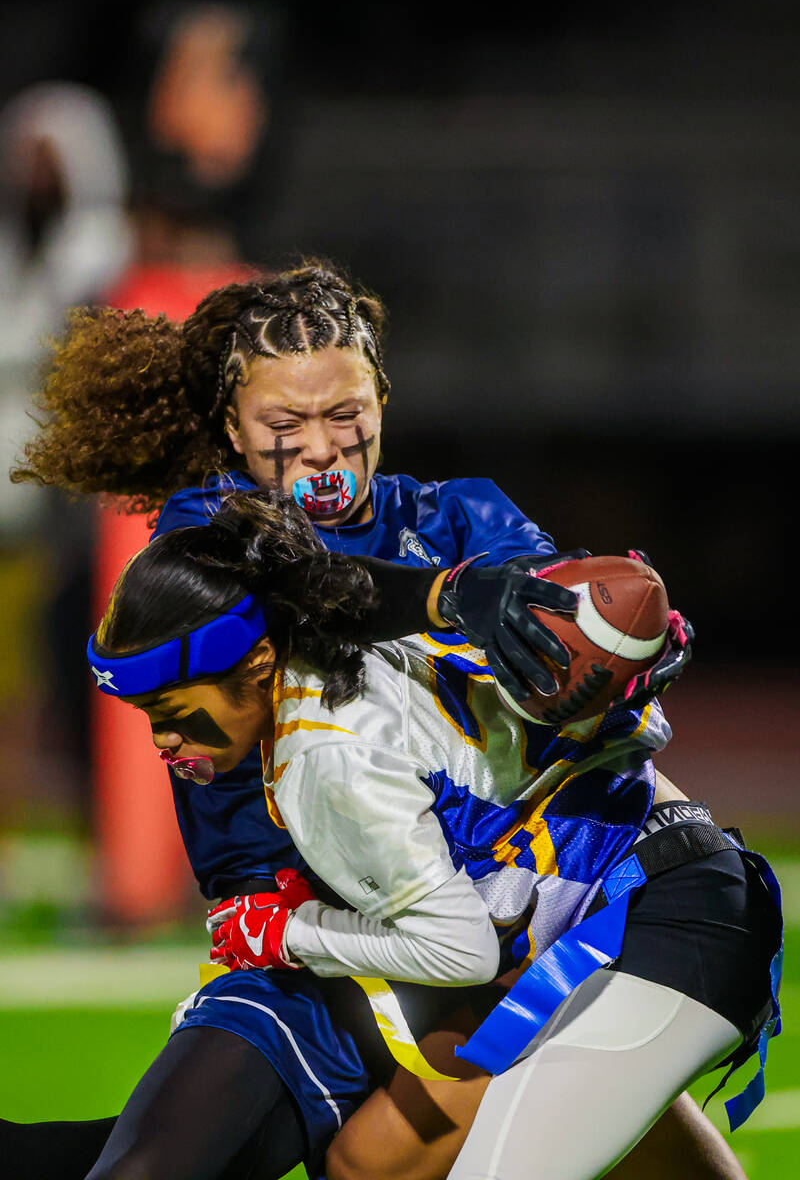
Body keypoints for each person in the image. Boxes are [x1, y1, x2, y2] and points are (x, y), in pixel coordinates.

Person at [7, 262, 739, 1180]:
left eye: (346, 413)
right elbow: (299, 585)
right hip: (302, 940)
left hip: (481, 919)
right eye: (284, 424)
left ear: (383, 398)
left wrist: (622, 653)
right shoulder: (207, 535)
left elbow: (566, 637)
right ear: (231, 429)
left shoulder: (465, 517)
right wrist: (446, 595)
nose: (321, 446)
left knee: (387, 1155)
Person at [85, 486, 782, 1180]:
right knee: (372, 1164)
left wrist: (286, 931)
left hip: (662, 921)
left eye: (171, 708)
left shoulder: (322, 757)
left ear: (259, 661)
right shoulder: (350, 644)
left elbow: (463, 952)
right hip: (624, 900)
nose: (164, 741)